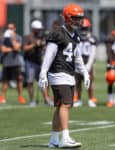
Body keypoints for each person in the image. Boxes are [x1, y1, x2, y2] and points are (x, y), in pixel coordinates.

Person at [38, 3, 90, 148]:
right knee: (66, 105)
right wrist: (43, 72)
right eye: (75, 18)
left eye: (80, 18)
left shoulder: (75, 36)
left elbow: (77, 57)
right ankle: (65, 138)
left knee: (61, 105)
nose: (78, 21)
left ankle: (54, 139)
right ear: (67, 17)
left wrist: (85, 72)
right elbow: (49, 54)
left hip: (68, 73)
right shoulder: (58, 33)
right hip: (58, 73)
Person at [23, 20, 52, 106]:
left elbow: (46, 48)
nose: (39, 30)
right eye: (37, 29)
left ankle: (46, 99)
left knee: (43, 81)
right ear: (33, 28)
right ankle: (32, 100)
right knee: (30, 81)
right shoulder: (27, 37)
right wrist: (34, 44)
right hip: (30, 62)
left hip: (40, 62)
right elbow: (24, 48)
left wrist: (43, 45)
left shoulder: (42, 37)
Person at [73, 18, 97, 107]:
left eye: (85, 28)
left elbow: (93, 52)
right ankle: (79, 99)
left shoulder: (92, 38)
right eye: (82, 28)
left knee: (89, 81)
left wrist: (89, 65)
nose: (83, 30)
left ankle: (91, 99)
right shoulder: (75, 37)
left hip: (87, 61)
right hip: (78, 61)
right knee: (78, 82)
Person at [0, 23, 26, 104]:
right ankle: (2, 97)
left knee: (19, 80)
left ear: (14, 29)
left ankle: (20, 97)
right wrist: (12, 48)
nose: (10, 29)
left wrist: (12, 38)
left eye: (11, 28)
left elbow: (17, 48)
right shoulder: (3, 38)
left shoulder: (18, 37)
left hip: (16, 63)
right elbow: (3, 50)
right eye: (8, 28)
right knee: (5, 81)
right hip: (6, 62)